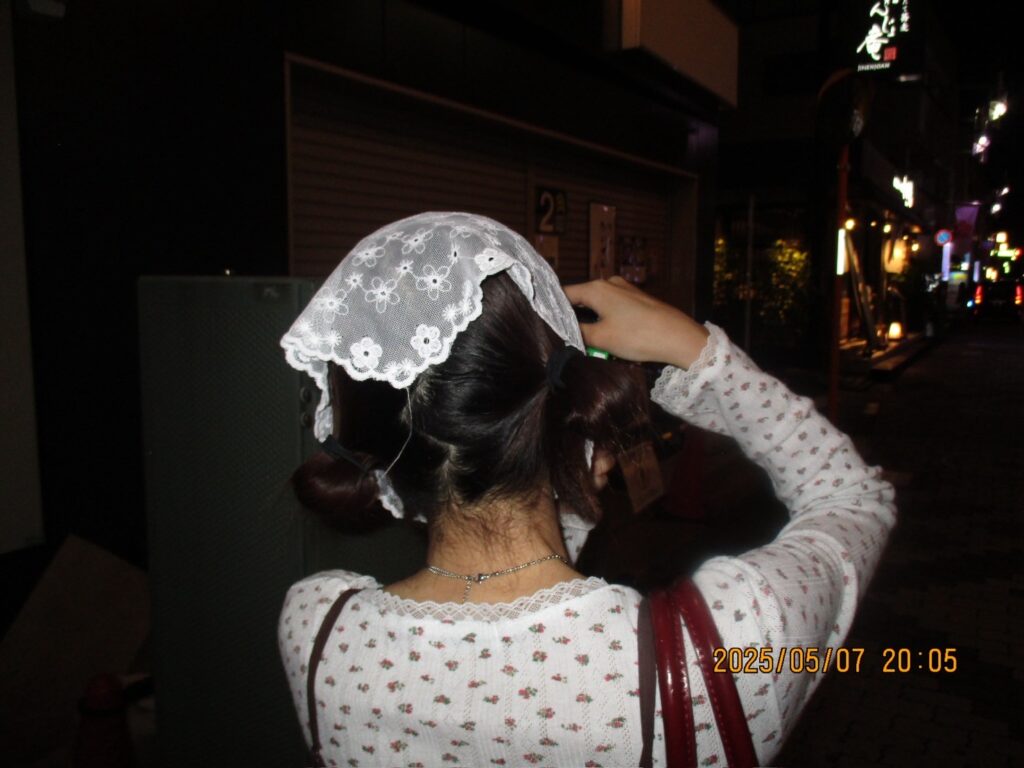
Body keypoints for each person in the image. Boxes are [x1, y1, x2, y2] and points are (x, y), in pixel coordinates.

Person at [278, 212, 896, 766]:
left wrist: (570, 473)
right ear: (574, 409)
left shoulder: (320, 638)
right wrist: (698, 351)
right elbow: (852, 499)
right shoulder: (723, 654)